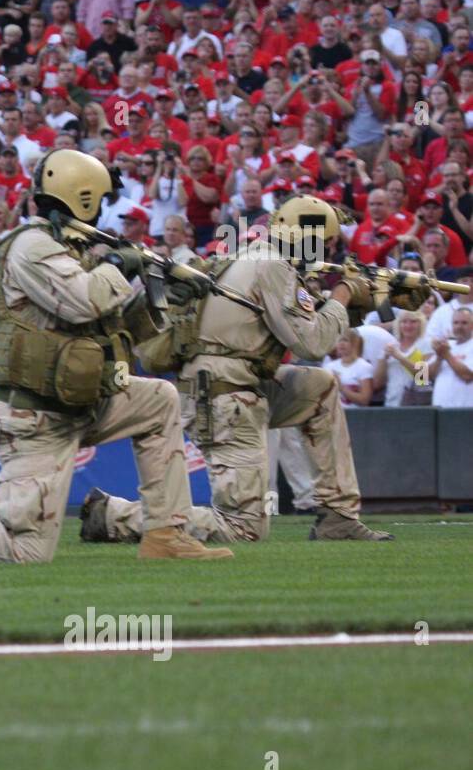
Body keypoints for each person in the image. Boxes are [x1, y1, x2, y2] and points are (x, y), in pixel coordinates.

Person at [0, 149, 233, 564]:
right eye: (101, 200)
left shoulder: (67, 249)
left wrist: (167, 298)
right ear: (84, 197)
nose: (103, 214)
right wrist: (118, 264)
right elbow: (83, 302)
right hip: (35, 417)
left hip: (77, 401)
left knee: (158, 401)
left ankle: (166, 533)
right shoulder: (32, 247)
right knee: (24, 550)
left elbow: (112, 329)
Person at [83, 196, 422, 547]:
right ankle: (112, 514)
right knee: (243, 528)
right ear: (309, 236)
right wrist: (345, 292)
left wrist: (368, 299)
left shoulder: (252, 258)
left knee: (320, 388)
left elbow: (310, 321)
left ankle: (339, 516)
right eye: (327, 242)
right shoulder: (272, 266)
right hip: (224, 397)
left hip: (235, 385)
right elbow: (313, 342)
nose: (330, 252)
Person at [429, 307, 473, 407]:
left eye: (464, 323)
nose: (459, 326)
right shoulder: (445, 345)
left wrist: (447, 355)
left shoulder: (446, 349)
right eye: (456, 323)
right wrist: (438, 358)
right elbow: (422, 378)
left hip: (465, 410)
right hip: (439, 409)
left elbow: (468, 376)